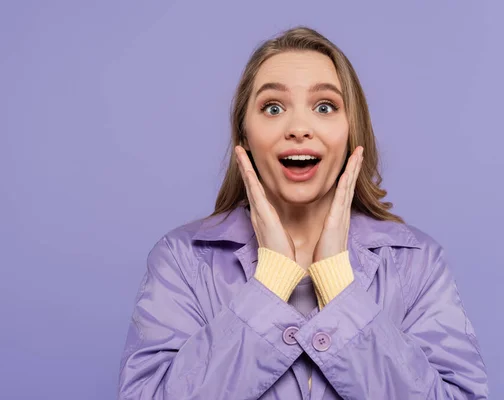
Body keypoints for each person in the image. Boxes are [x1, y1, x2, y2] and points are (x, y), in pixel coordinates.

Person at [117, 26, 488, 399]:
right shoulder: (182, 260)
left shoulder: (416, 264)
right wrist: (272, 283)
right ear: (244, 135)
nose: (298, 128)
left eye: (325, 107)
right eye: (273, 107)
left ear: (351, 132)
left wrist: (338, 285)